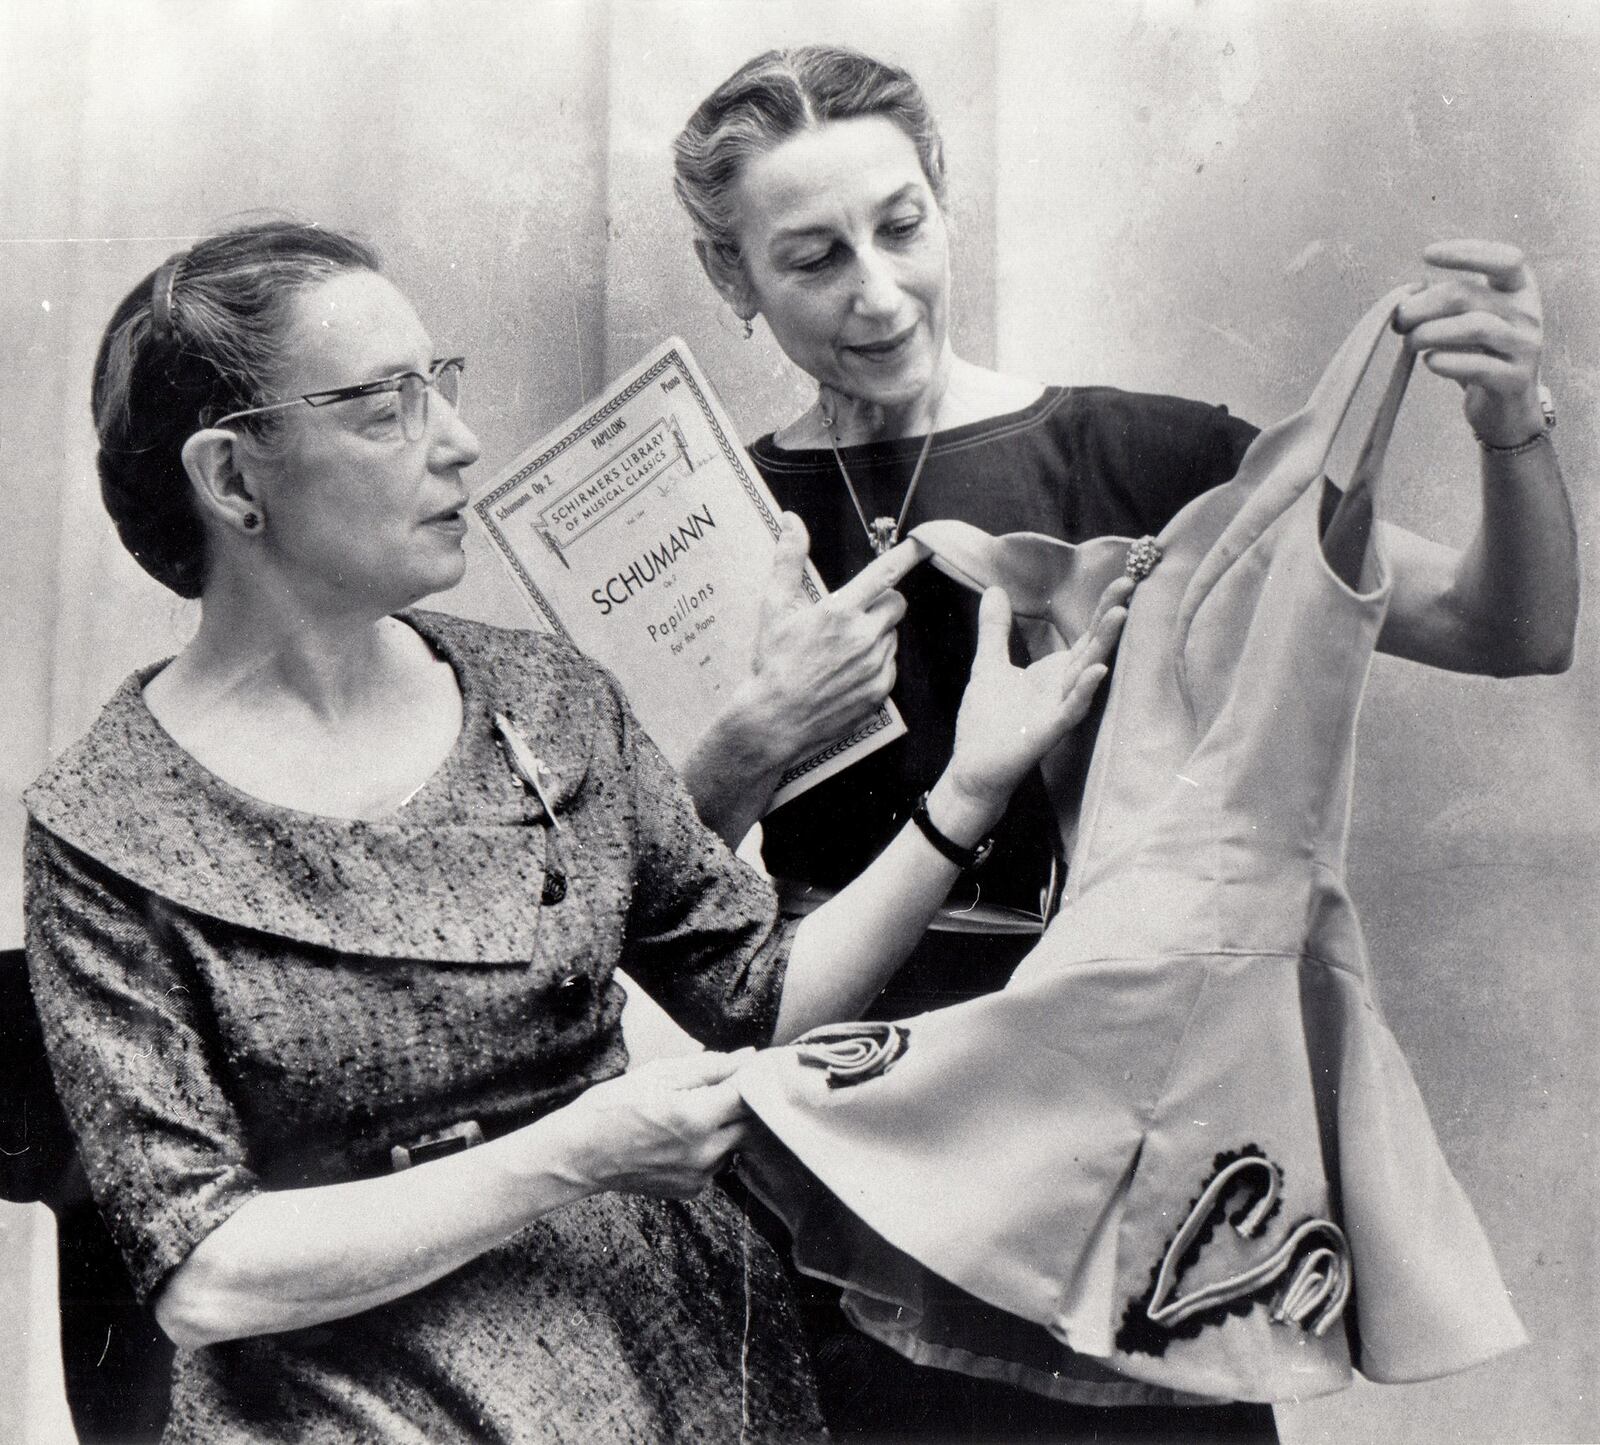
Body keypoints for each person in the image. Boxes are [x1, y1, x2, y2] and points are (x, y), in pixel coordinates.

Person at [22, 217, 1126, 1444]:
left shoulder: (545, 699)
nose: (461, 441)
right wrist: (575, 1152)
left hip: (671, 1358)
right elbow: (204, 1273)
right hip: (339, 1401)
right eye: (384, 406)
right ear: (231, 479)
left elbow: (755, 996)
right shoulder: (105, 827)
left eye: (439, 383)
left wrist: (967, 792)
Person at [669, 44, 1577, 1442]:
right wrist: (747, 739)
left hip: (1137, 1100)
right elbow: (647, 908)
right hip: (853, 1140)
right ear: (730, 278)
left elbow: (1506, 627)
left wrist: (1514, 421)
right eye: (811, 257)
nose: (877, 290)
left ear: (945, 201)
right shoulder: (699, 526)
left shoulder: (1143, 451)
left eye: (901, 226)